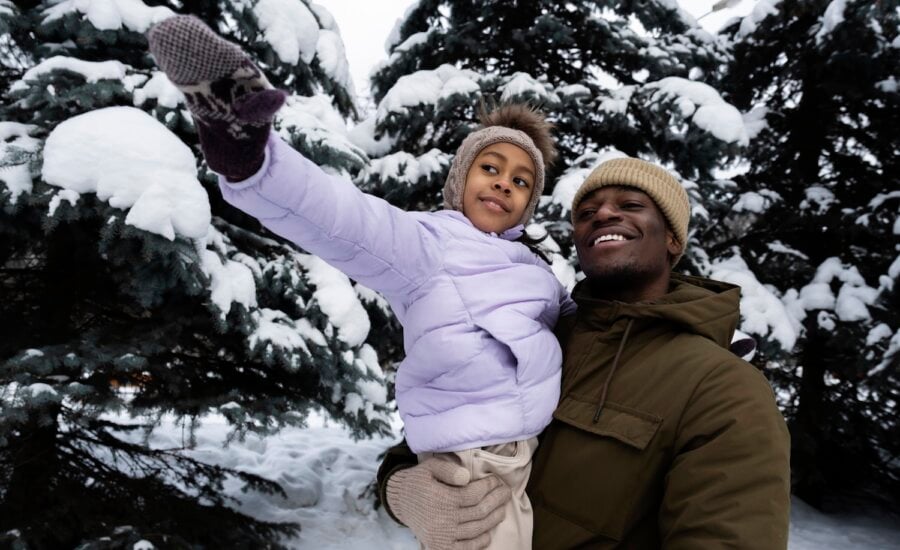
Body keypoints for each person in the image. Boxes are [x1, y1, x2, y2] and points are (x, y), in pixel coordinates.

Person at [147, 16, 575, 550]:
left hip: (524, 454)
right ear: (460, 179)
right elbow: (345, 219)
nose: (503, 184)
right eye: (491, 167)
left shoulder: (534, 269)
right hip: (470, 469)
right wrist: (252, 159)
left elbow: (579, 327)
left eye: (520, 181)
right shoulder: (426, 244)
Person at [377, 158, 792, 549]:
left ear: (672, 237)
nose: (604, 215)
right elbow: (431, 433)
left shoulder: (723, 387)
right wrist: (403, 492)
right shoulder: (534, 334)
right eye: (587, 212)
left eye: (630, 205)